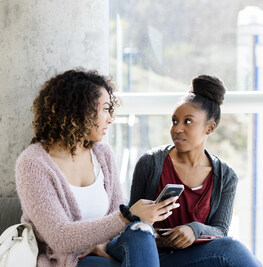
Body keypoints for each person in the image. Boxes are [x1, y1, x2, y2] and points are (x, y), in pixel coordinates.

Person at [15, 69, 179, 267]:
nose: (110, 118)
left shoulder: (103, 154)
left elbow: (115, 215)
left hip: (107, 249)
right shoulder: (33, 163)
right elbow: (60, 237)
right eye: (105, 109)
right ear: (79, 110)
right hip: (68, 260)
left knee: (141, 233)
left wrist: (110, 238)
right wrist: (127, 216)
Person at [129, 75, 262, 266]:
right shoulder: (150, 163)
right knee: (231, 250)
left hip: (199, 257)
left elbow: (220, 231)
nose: (177, 129)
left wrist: (195, 230)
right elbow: (131, 224)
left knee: (230, 248)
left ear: (210, 128)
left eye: (188, 122)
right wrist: (162, 238)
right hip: (154, 255)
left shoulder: (226, 176)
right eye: (174, 121)